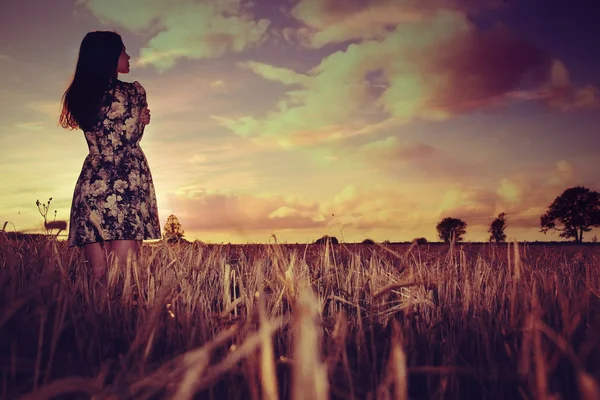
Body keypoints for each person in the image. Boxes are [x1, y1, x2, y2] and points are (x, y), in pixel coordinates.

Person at [59, 31, 161, 291]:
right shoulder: (132, 92)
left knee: (98, 275)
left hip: (93, 181)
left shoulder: (80, 94)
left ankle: (92, 328)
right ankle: (120, 330)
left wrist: (139, 118)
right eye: (123, 51)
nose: (128, 56)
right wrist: (140, 120)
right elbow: (130, 137)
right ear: (108, 56)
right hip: (125, 180)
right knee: (125, 276)